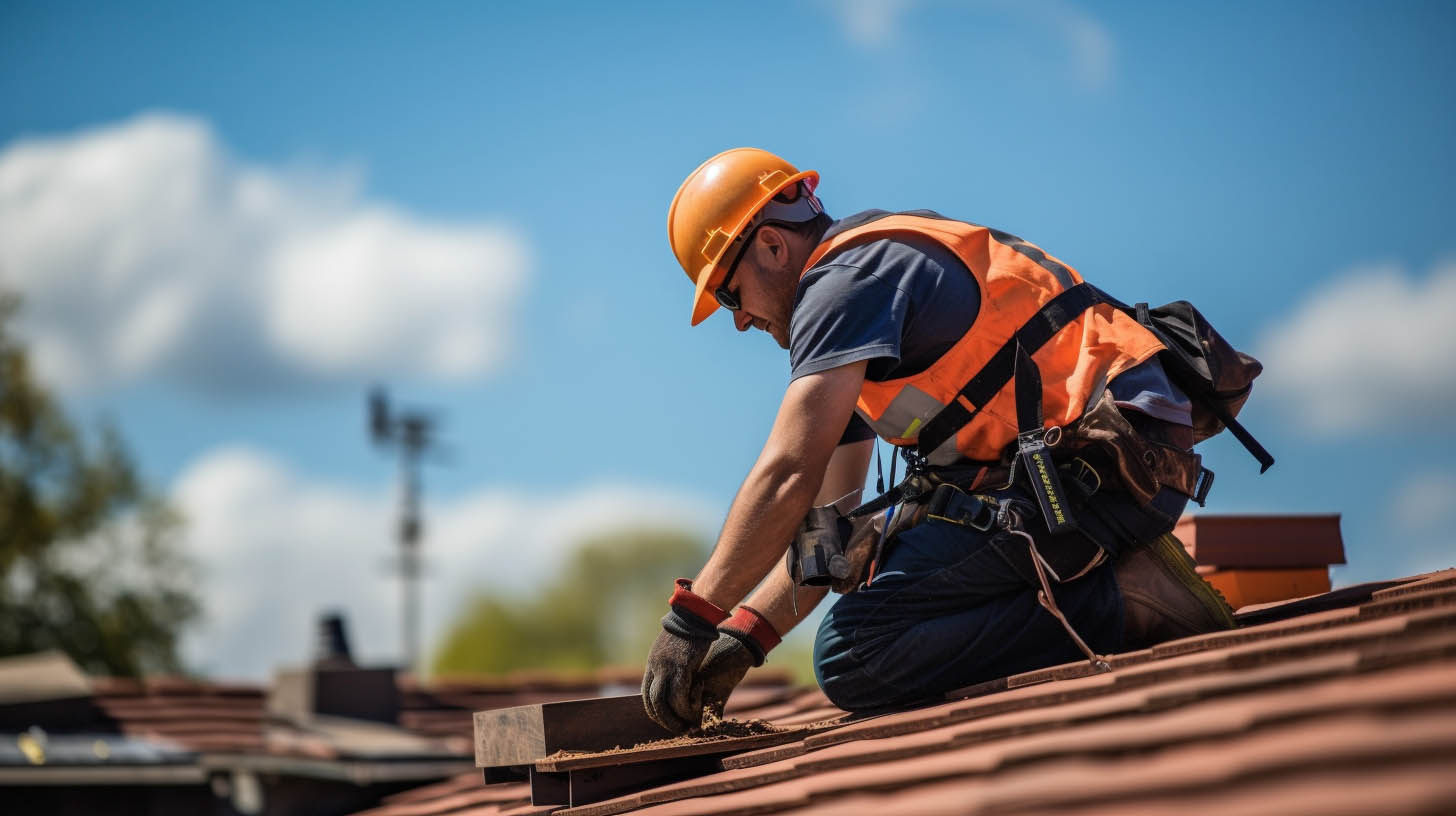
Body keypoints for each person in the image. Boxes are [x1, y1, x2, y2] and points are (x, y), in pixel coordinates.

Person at [641, 148, 1237, 733]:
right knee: (872, 591)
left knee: (856, 653)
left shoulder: (841, 286)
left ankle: (1125, 598)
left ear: (772, 245)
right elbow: (830, 528)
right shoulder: (861, 303)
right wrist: (745, 635)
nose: (739, 320)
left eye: (728, 294)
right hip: (1102, 473)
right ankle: (1103, 581)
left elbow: (787, 474)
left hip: (1099, 477)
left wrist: (691, 619)